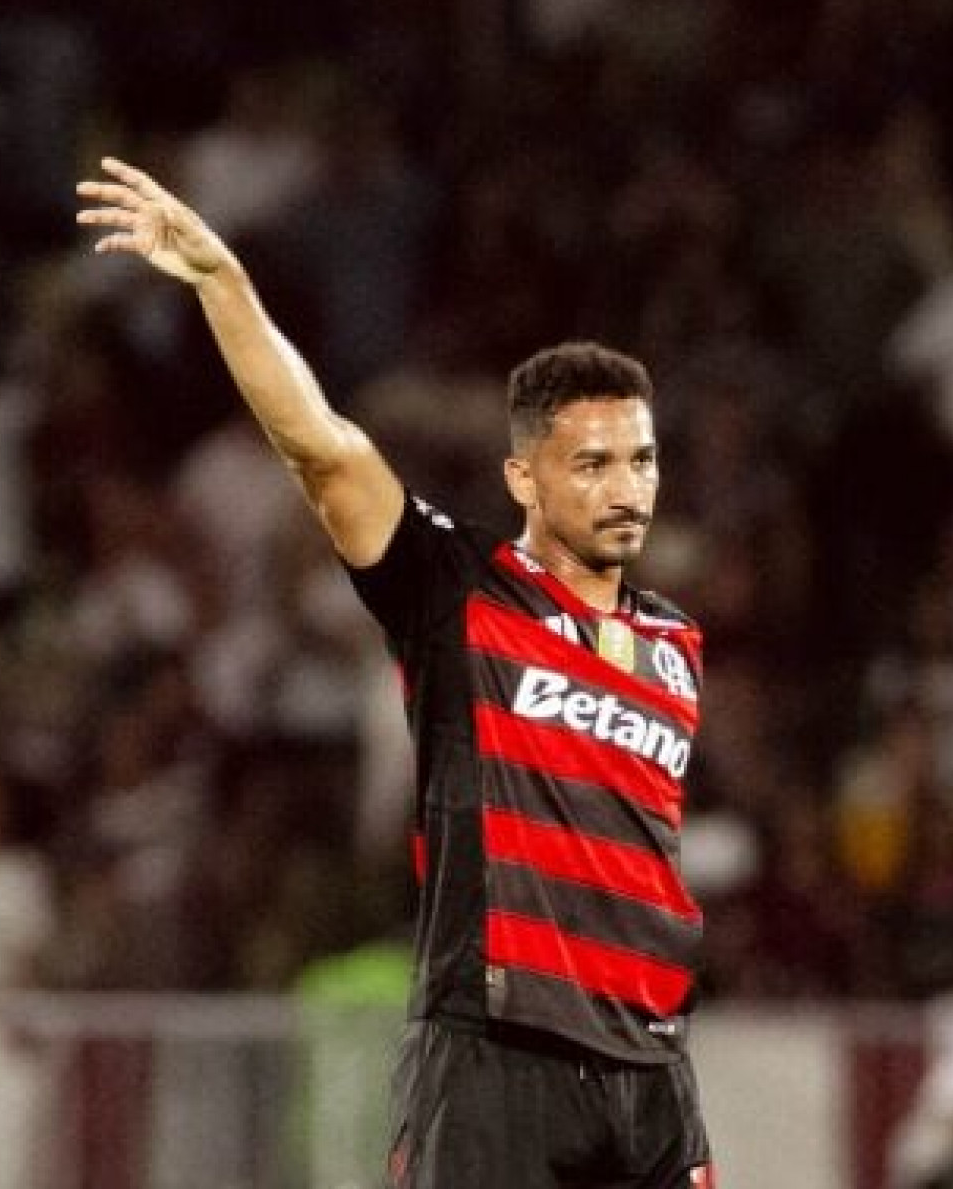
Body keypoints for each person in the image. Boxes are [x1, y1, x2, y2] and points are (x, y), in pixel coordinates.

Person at [78, 157, 715, 1188]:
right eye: (591, 463)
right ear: (524, 476)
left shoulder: (675, 645)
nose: (623, 488)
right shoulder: (463, 593)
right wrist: (223, 286)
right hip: (502, 1047)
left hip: (652, 1066)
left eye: (639, 461)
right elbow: (326, 453)